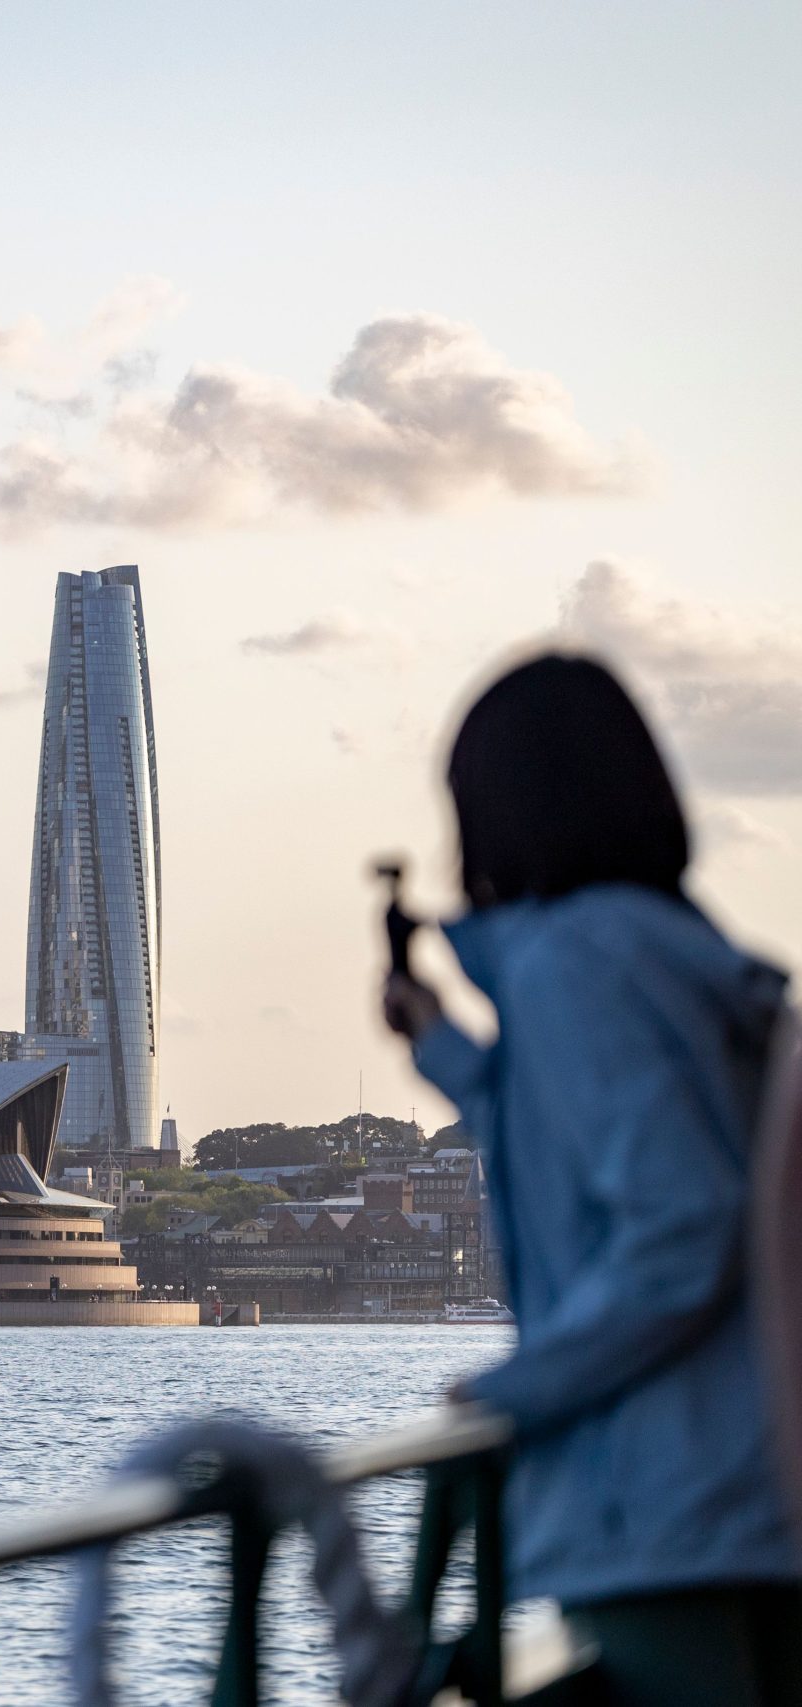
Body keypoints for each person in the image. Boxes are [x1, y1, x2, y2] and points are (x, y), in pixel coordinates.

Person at [382, 653, 798, 1705]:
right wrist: (446, 1049)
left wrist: (512, 1390)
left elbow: (683, 1219)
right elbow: (577, 1143)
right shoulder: (669, 949)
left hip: (676, 1517)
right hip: (753, 1494)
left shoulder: (567, 966)